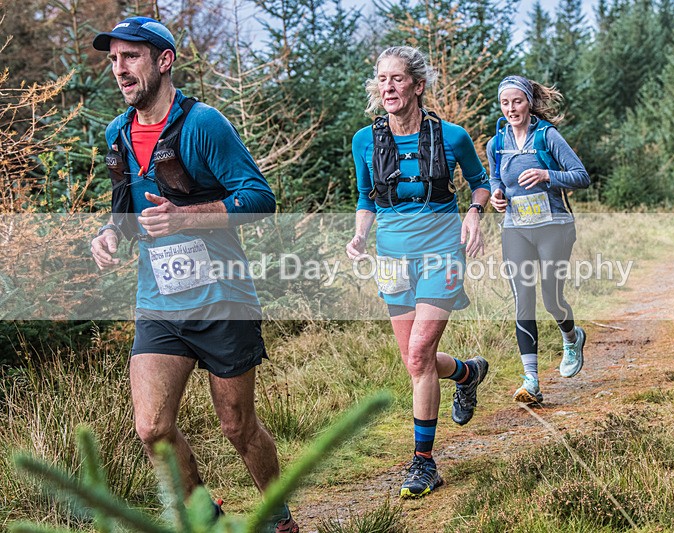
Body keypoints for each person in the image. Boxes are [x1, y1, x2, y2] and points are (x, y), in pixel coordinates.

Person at [88, 17, 298, 532]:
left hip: (223, 299)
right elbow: (125, 209)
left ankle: (280, 518)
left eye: (131, 56)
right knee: (151, 428)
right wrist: (110, 235)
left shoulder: (204, 124)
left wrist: (188, 216)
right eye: (114, 59)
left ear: (164, 61)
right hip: (158, 303)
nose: (120, 69)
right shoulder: (118, 132)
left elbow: (260, 199)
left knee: (237, 426)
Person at [345, 46, 491, 499]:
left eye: (396, 79)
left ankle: (424, 462)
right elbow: (367, 197)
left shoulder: (453, 136)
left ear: (417, 86)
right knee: (416, 360)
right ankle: (467, 374)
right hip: (391, 258)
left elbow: (481, 182)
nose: (387, 87)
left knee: (418, 353)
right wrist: (358, 236)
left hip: (442, 252)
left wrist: (473, 214)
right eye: (381, 80)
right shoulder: (363, 140)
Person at [487, 75, 591, 405]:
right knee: (523, 298)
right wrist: (496, 194)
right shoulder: (496, 142)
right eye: (505, 103)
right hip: (515, 227)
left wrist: (548, 175)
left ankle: (572, 337)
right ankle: (530, 380)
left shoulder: (548, 136)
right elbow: (494, 177)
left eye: (517, 101)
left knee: (551, 297)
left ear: (529, 102)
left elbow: (581, 176)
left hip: (554, 225)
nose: (511, 108)